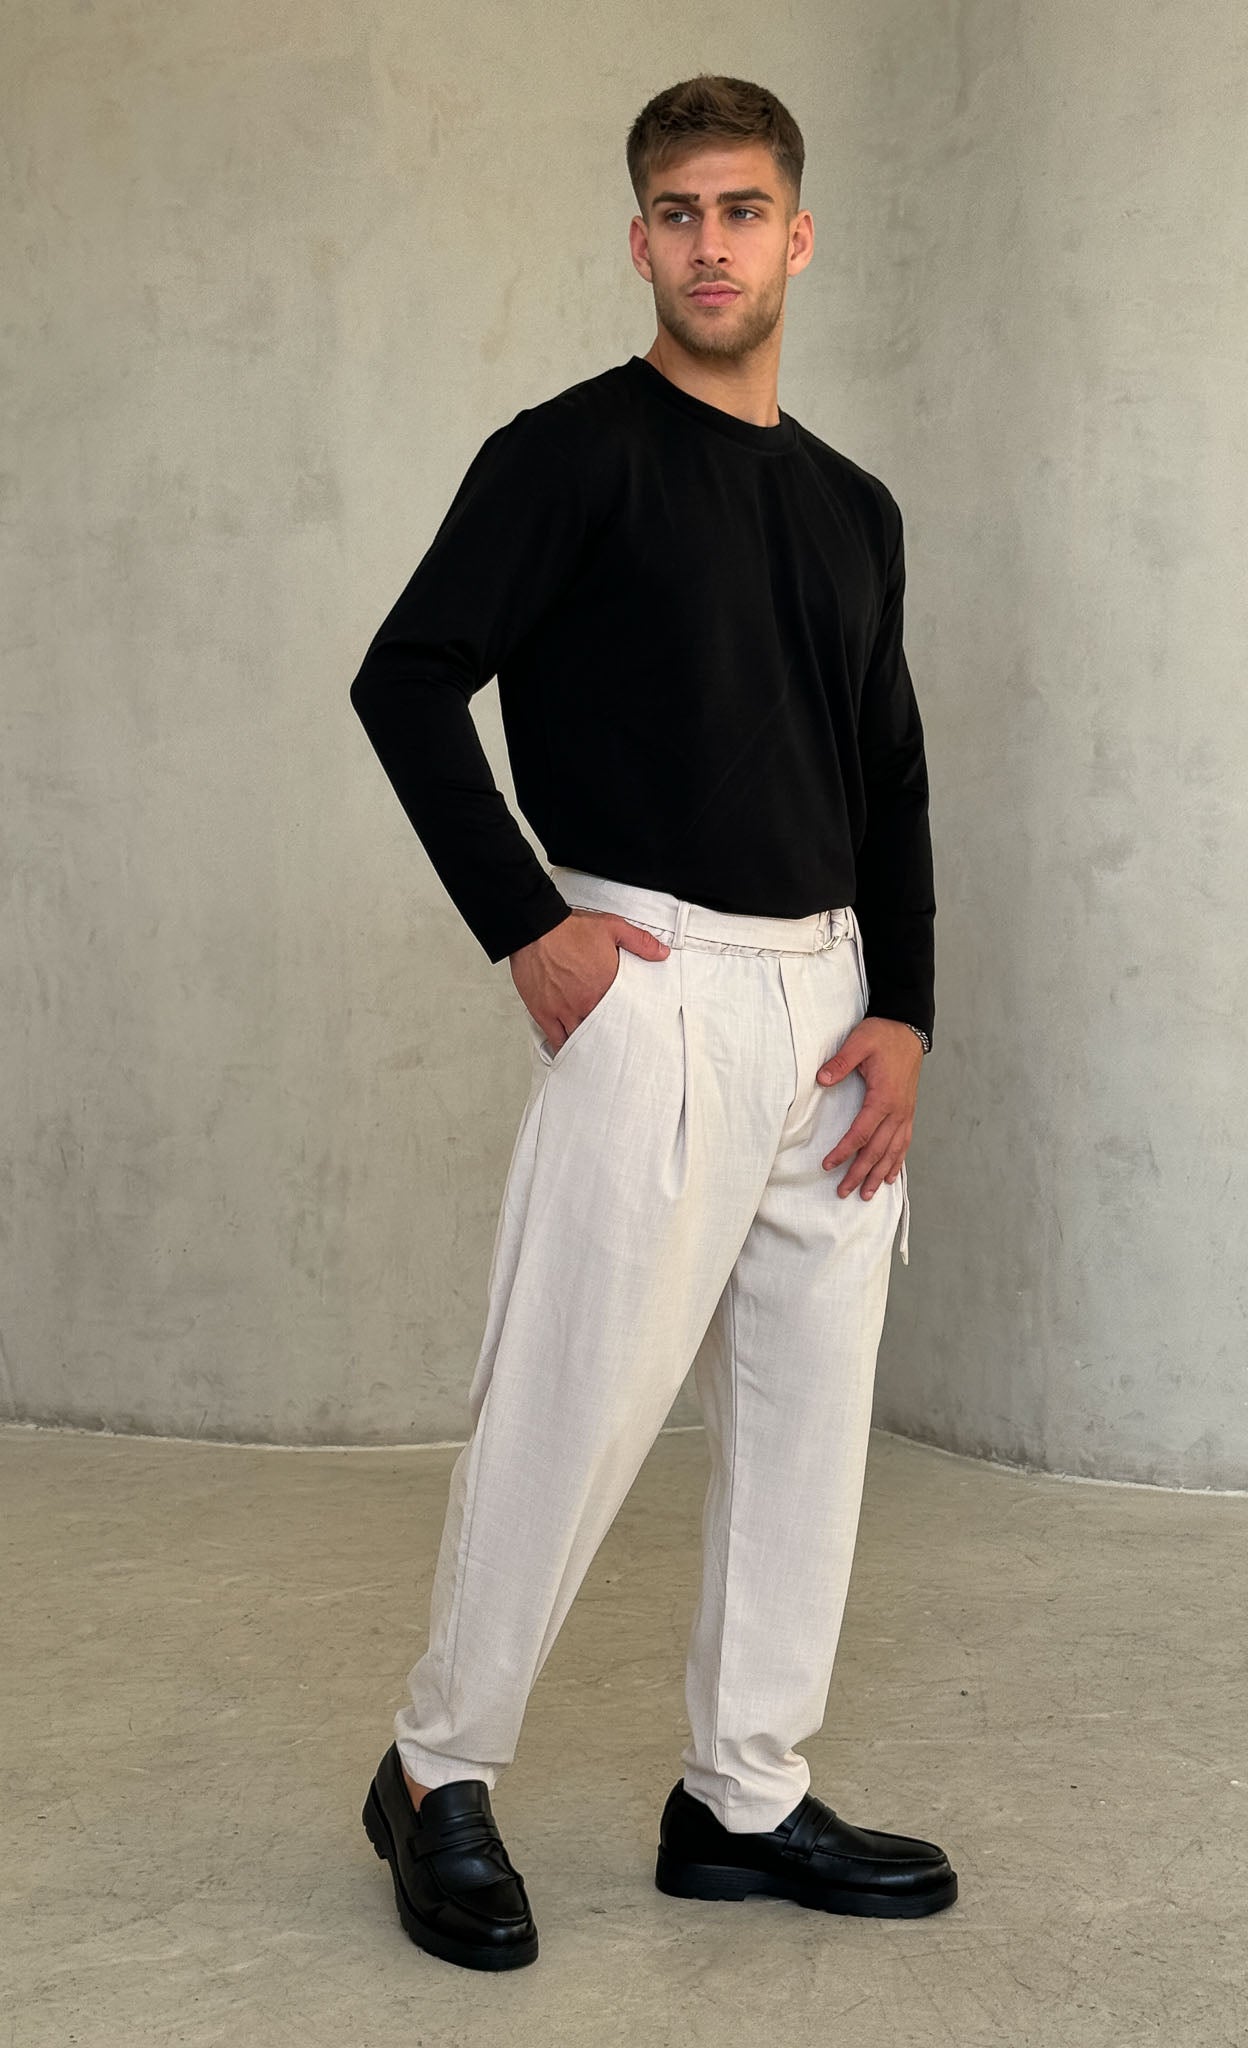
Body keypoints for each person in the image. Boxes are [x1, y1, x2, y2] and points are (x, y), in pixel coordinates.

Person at [349, 71, 956, 1972]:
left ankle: (743, 1797)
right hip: (654, 982)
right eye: (679, 212)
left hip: (832, 1013)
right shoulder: (569, 455)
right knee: (570, 1405)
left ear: (797, 236)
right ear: (638, 242)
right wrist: (527, 929)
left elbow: (887, 770)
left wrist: (907, 1008)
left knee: (806, 1430)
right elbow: (405, 677)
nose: (712, 243)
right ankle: (435, 1770)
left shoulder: (852, 507)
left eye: (742, 208)